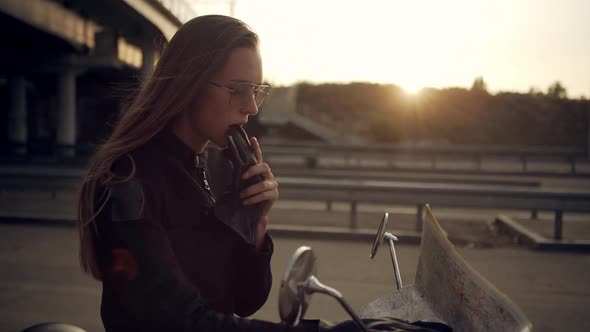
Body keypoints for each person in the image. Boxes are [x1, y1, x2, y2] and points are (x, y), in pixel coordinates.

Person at [75, 14, 445, 332]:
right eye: (238, 90)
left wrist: (255, 223)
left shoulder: (208, 171)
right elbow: (178, 320)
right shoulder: (129, 178)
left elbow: (245, 299)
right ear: (188, 83)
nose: (251, 107)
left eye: (256, 91)